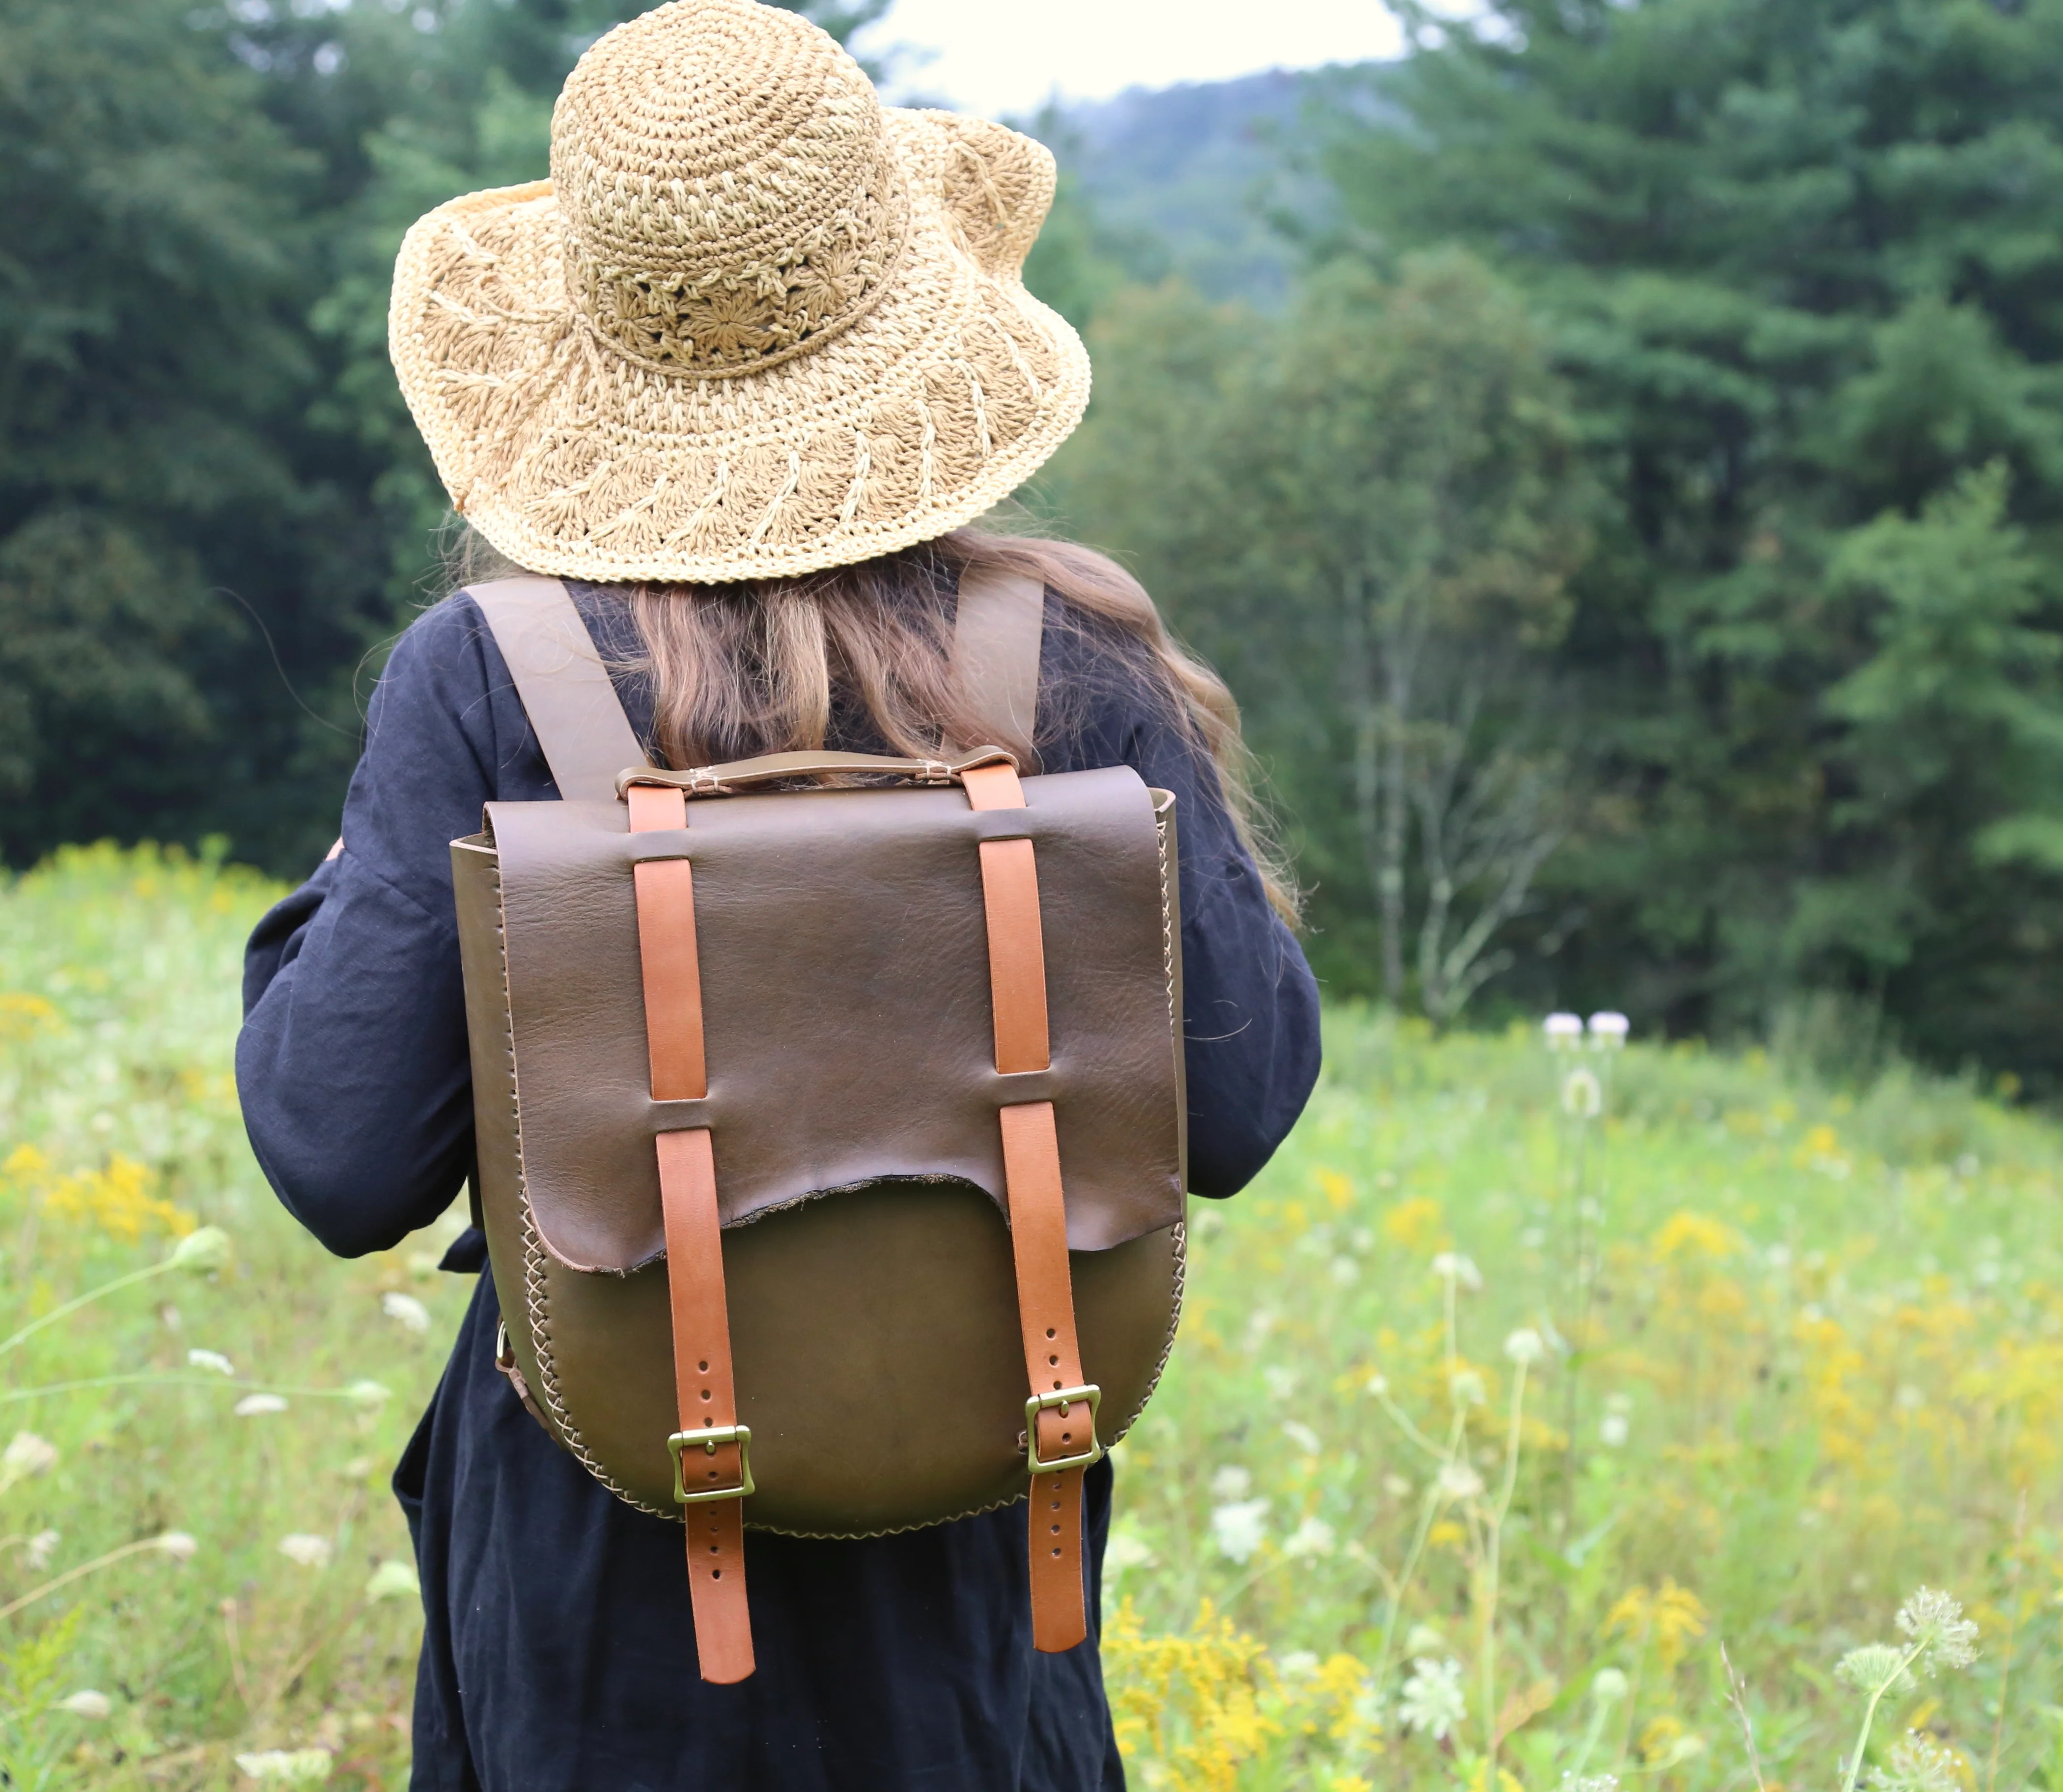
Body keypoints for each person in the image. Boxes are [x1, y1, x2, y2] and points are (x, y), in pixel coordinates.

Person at [231, 2, 1321, 1787]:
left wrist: (326, 904)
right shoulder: (1075, 667)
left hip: (599, 1561)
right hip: (981, 1528)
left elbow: (340, 1155)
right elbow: (1249, 1102)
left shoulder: (485, 676)